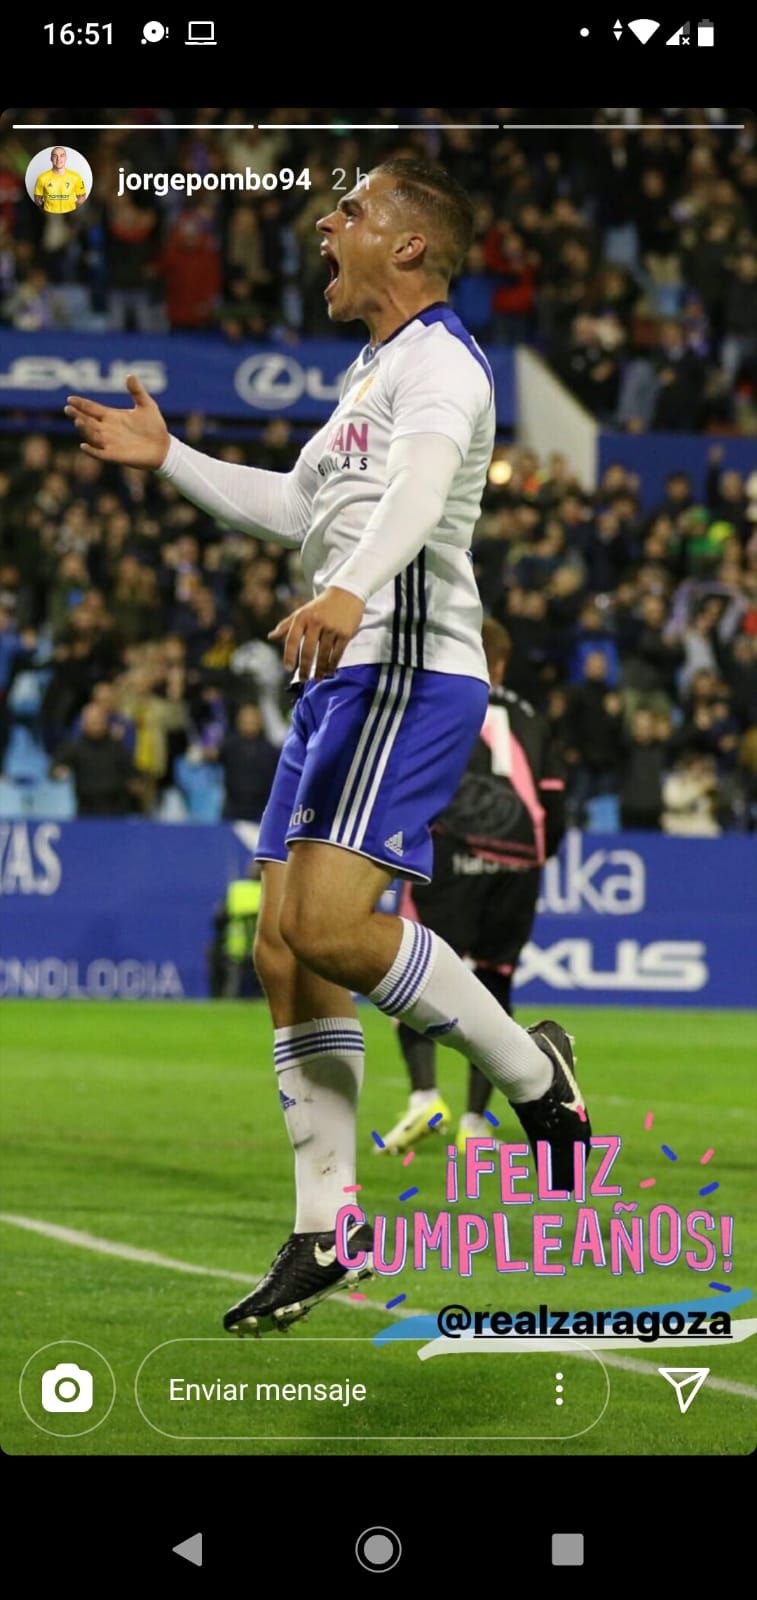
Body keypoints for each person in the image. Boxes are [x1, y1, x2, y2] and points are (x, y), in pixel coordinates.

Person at [64, 158, 591, 1339]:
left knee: (331, 927)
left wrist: (351, 591)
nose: (323, 223)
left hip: (404, 666)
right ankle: (326, 1224)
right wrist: (172, 459)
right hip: (339, 676)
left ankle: (531, 1074)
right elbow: (303, 510)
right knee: (283, 952)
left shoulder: (444, 361)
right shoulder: (370, 374)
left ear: (408, 245)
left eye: (349, 210)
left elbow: (418, 495)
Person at [380, 618, 566, 1154]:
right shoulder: (531, 717)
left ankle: (424, 1097)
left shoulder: (440, 700)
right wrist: (533, 859)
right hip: (519, 867)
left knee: (411, 971)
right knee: (494, 982)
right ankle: (475, 1122)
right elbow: (555, 802)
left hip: (453, 856)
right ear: (502, 663)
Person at [34, 147, 87, 214]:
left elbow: (82, 197)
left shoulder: (76, 177)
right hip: (50, 216)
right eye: (55, 156)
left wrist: (72, 209)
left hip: (69, 216)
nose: (58, 159)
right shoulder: (42, 178)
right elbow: (37, 199)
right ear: (51, 158)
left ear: (66, 158)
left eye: (62, 155)